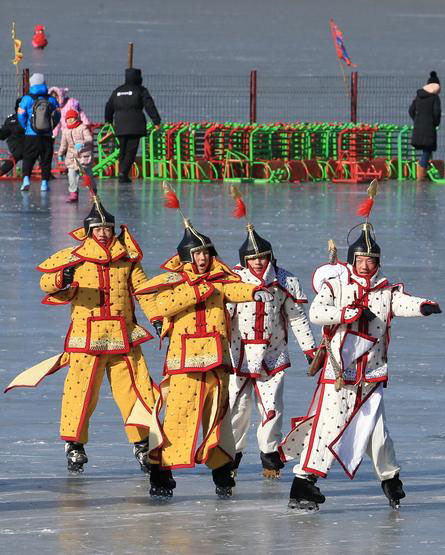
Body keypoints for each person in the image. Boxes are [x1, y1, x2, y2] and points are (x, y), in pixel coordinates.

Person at [280, 189, 441, 511]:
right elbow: (316, 313)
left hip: (372, 373)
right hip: (340, 373)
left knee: (377, 431)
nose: (367, 265)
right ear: (353, 260)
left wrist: (423, 306)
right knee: (329, 426)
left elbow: (401, 302)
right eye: (362, 260)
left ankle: (390, 479)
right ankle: (303, 483)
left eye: (372, 260)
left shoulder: (385, 289)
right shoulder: (337, 286)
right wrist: (348, 313)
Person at [135, 214, 270, 498]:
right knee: (177, 418)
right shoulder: (174, 281)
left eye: (206, 253)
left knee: (218, 419)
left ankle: (222, 473)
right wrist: (197, 291)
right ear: (187, 256)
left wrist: (254, 291)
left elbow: (233, 289)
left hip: (217, 361)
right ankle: (161, 474)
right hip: (183, 363)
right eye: (197, 253)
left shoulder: (219, 279)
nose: (203, 258)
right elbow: (162, 305)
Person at [31, 192, 160, 474]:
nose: (103, 233)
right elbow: (45, 282)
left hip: (124, 336)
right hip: (86, 339)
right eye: (98, 228)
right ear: (89, 231)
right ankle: (74, 445)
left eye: (107, 228)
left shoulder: (127, 259)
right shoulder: (75, 257)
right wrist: (61, 278)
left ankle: (142, 443)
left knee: (135, 391)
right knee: (81, 393)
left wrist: (158, 318)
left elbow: (144, 291)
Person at [227, 224, 317, 480]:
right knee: (237, 409)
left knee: (272, 408)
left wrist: (310, 349)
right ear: (245, 259)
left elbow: (297, 318)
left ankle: (269, 457)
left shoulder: (284, 281)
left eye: (262, 256)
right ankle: (231, 458)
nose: (258, 262)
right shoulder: (233, 280)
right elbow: (222, 317)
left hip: (272, 355)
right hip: (238, 355)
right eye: (253, 257)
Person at [104, 68, 161, 183]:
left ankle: (122, 172)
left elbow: (109, 106)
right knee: (131, 150)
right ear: (139, 77)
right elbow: (149, 105)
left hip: (119, 124)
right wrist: (156, 121)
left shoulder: (118, 91)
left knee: (122, 150)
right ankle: (123, 172)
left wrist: (108, 121)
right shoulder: (141, 90)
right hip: (135, 124)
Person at [17, 73, 60, 192]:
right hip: (46, 135)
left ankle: (26, 180)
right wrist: (52, 126)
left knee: (28, 158)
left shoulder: (27, 98)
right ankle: (44, 184)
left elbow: (20, 115)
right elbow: (58, 115)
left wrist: (26, 126)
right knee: (46, 159)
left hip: (31, 135)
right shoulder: (51, 99)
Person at [408, 71, 441, 182]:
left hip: (418, 127)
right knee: (427, 150)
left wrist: (417, 120)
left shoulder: (419, 96)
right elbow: (437, 113)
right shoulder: (435, 98)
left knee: (427, 150)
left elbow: (411, 110)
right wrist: (435, 123)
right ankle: (421, 175)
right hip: (429, 128)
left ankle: (425, 171)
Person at [57, 110, 93, 203]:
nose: (70, 120)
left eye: (72, 118)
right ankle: (73, 193)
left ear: (76, 118)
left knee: (87, 175)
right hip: (72, 157)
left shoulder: (82, 127)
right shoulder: (65, 131)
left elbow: (89, 138)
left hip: (84, 156)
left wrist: (83, 143)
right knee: (71, 175)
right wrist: (60, 154)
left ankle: (92, 191)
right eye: (68, 118)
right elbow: (63, 144)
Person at [0, 97, 25, 177]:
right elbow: (3, 134)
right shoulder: (11, 119)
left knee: (39, 150)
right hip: (17, 146)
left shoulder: (30, 119)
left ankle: (46, 174)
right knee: (17, 155)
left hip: (27, 145)